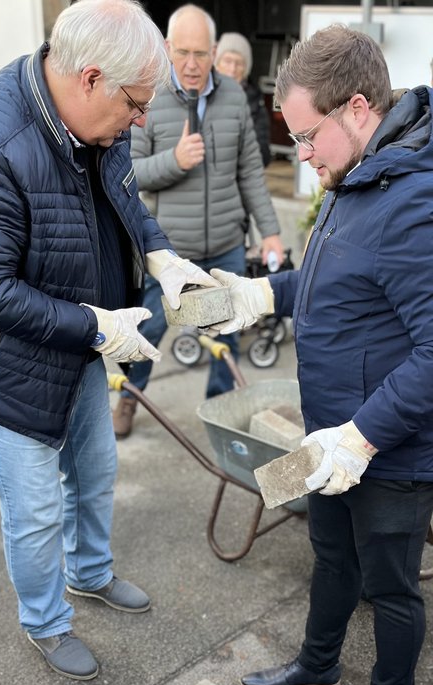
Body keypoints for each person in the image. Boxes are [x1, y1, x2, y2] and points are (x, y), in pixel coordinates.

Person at [0, 0, 217, 680]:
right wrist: (98, 325)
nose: (138, 122)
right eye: (134, 105)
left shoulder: (102, 120)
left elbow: (124, 196)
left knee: (95, 471)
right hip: (5, 363)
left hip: (81, 343)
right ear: (91, 78)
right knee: (36, 508)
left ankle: (90, 572)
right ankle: (45, 621)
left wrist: (159, 257)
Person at [205, 23, 433, 685]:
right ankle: (320, 662)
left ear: (358, 108)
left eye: (308, 137)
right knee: (330, 555)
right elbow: (335, 283)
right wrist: (260, 296)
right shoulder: (354, 173)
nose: (302, 155)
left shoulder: (413, 201)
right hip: (326, 435)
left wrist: (361, 437)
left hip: (386, 446)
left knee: (391, 584)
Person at [112, 3, 284, 438]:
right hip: (168, 248)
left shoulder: (234, 98)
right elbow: (126, 173)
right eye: (183, 52)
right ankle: (129, 398)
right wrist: (173, 161)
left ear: (214, 50)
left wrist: (272, 233)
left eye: (201, 53)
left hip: (226, 241)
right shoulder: (147, 94)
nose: (191, 64)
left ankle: (219, 413)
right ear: (167, 48)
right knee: (147, 329)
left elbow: (249, 172)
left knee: (225, 336)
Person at [215, 32, 271, 168]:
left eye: (239, 63)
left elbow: (263, 155)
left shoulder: (256, 102)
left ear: (246, 70)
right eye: (227, 61)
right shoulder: (202, 95)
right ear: (216, 64)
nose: (232, 69)